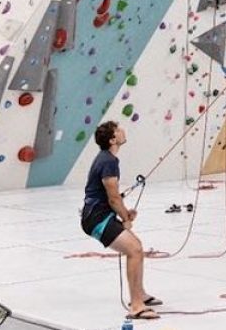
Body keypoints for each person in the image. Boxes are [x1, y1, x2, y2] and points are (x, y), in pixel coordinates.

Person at [80, 121, 161, 321]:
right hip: (96, 219)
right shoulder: (108, 161)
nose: (123, 131)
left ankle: (140, 294)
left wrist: (125, 212)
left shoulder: (107, 158)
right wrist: (125, 218)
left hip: (101, 214)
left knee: (137, 248)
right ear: (113, 139)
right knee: (133, 249)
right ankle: (136, 306)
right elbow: (113, 198)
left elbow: (113, 199)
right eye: (118, 129)